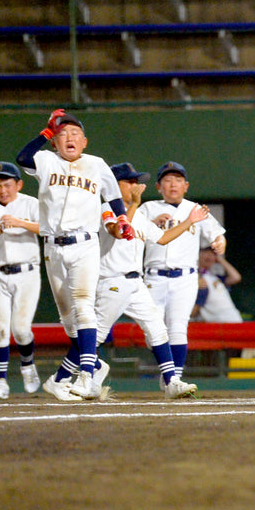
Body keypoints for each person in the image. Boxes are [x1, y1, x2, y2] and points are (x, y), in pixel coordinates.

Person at [15, 109, 135, 401]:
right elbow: (22, 158)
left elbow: (113, 196)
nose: (69, 137)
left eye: (75, 134)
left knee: (84, 305)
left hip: (84, 244)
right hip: (53, 247)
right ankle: (85, 368)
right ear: (54, 142)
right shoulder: (46, 160)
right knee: (68, 318)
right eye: (63, 134)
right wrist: (46, 131)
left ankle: (86, 376)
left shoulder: (96, 164)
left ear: (85, 142)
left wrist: (122, 218)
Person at [85, 162, 205, 399]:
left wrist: (189, 221)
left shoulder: (137, 214)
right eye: (129, 182)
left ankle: (171, 381)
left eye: (135, 181)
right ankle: (82, 377)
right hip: (112, 281)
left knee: (158, 330)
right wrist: (134, 205)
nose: (136, 185)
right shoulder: (106, 208)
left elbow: (162, 238)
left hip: (135, 282)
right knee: (96, 334)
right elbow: (119, 232)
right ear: (114, 186)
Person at [137, 161, 227, 385]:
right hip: (154, 277)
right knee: (152, 330)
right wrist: (149, 223)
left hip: (185, 278)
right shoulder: (147, 209)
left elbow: (218, 235)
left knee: (178, 327)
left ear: (186, 186)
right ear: (158, 186)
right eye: (167, 180)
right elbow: (130, 232)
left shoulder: (195, 210)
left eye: (177, 180)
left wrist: (220, 242)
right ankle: (169, 372)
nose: (173, 184)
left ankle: (174, 379)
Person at [0, 161, 42, 399]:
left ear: (18, 184)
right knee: (0, 329)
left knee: (21, 330)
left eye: (7, 184)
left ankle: (27, 365)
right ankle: (0, 381)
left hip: (27, 273)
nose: (3, 190)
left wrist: (20, 223)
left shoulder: (30, 203)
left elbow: (49, 228)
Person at [194, 248, 243, 323]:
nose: (210, 257)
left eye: (213, 254)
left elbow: (236, 277)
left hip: (234, 319)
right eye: (206, 253)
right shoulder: (193, 276)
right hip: (218, 323)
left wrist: (221, 260)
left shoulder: (214, 277)